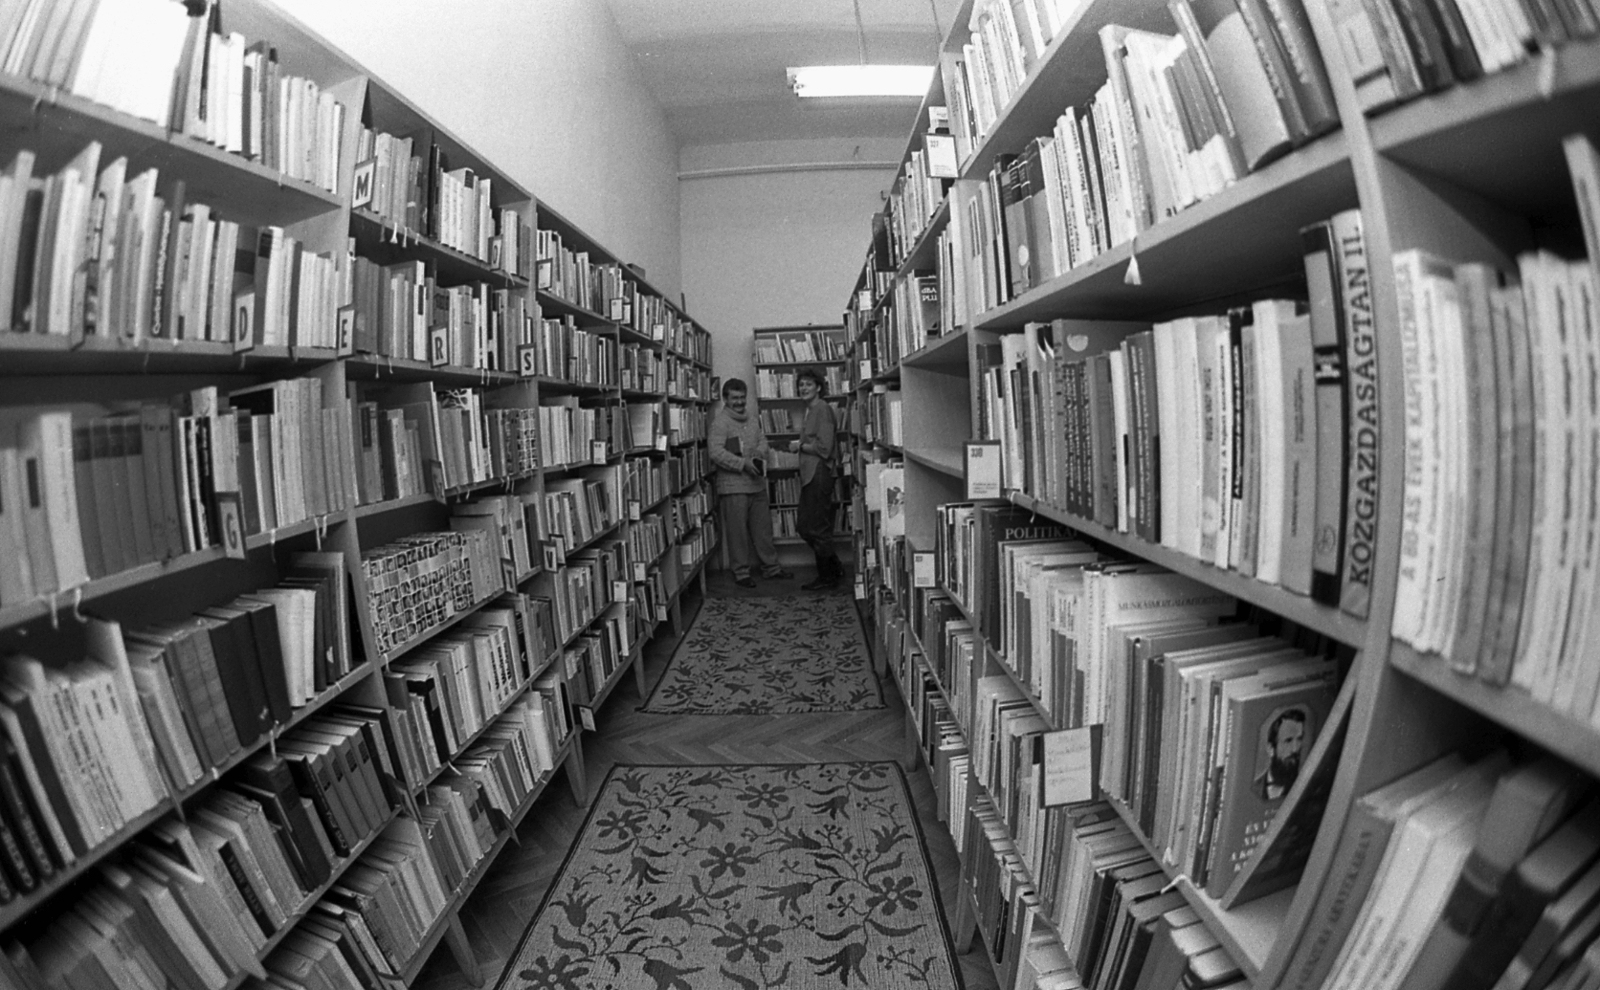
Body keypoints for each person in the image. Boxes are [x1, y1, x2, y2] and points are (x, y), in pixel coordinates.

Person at [708, 378, 792, 588]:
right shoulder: (720, 423)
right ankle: (741, 572)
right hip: (733, 487)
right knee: (738, 534)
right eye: (734, 398)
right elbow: (715, 453)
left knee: (763, 531)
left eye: (742, 397)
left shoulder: (752, 419)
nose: (739, 402)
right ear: (725, 399)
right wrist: (742, 463)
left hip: (756, 484)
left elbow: (762, 440)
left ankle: (771, 568)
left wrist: (759, 452)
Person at [789, 366, 842, 591]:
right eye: (801, 385)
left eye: (809, 384)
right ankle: (834, 565)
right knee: (804, 526)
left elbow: (825, 447)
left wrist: (799, 446)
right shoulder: (811, 410)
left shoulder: (822, 409)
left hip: (820, 473)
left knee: (817, 527)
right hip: (810, 474)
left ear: (819, 387)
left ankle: (827, 577)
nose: (804, 388)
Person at [1252, 707, 1308, 801]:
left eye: (1299, 739)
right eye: (1288, 740)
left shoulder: (1305, 786)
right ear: (1271, 749)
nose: (1295, 749)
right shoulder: (1254, 789)